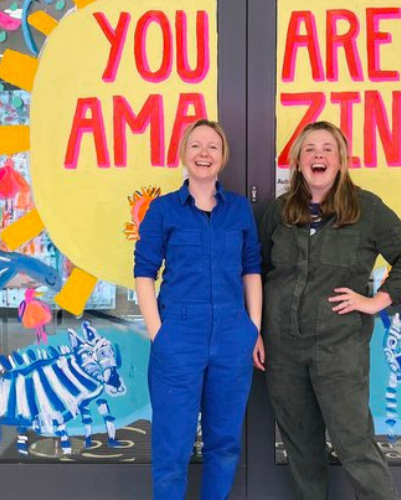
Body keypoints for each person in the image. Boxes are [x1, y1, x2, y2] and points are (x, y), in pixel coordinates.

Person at [258, 121, 401, 500]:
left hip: (339, 350)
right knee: (302, 450)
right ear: (298, 161)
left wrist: (377, 301)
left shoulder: (366, 209)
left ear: (340, 160)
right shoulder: (279, 212)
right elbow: (259, 270)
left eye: (327, 149)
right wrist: (256, 330)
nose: (318, 155)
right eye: (310, 149)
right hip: (283, 351)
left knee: (355, 444)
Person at [134, 119, 262, 500]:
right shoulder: (163, 210)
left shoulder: (238, 210)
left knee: (224, 444)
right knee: (172, 447)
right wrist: (159, 334)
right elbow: (144, 273)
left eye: (212, 147)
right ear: (184, 154)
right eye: (196, 146)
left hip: (232, 336)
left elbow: (251, 269)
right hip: (178, 335)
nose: (204, 153)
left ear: (223, 157)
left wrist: (252, 329)